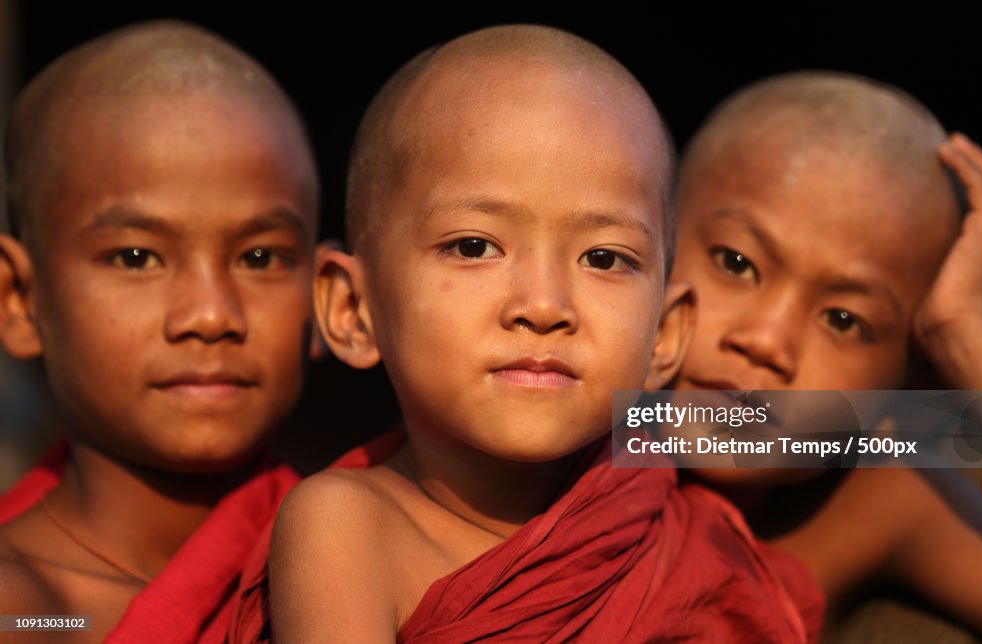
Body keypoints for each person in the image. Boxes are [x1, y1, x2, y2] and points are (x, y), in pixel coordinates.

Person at [255, 25, 823, 643]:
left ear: (664, 333)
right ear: (353, 308)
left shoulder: (687, 533)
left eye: (605, 258)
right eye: (474, 246)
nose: (545, 306)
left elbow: (928, 448)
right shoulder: (348, 527)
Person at [669, 71, 982, 641]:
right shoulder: (551, 414)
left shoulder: (877, 497)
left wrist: (975, 342)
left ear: (901, 390)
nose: (766, 341)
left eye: (844, 320)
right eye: (736, 263)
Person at [0, 20, 318, 641]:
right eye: (136, 257)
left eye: (260, 257)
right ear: (19, 300)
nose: (209, 316)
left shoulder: (382, 572)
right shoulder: (29, 609)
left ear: (332, 297)